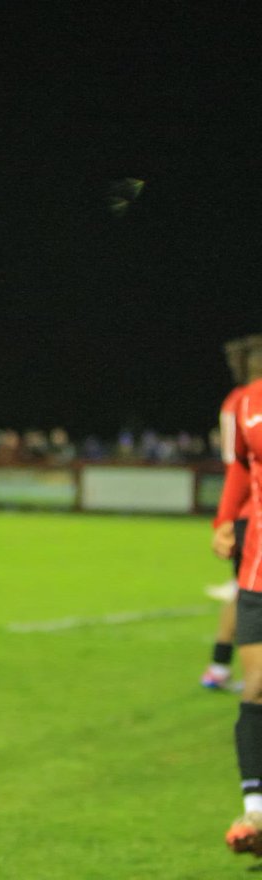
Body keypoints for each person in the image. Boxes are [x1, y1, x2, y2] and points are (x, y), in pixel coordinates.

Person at [215, 335, 262, 856]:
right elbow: (242, 468)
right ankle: (256, 813)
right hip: (258, 569)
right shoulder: (247, 405)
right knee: (258, 688)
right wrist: (225, 519)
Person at [203, 337, 255, 691]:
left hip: (242, 513)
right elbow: (237, 463)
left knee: (245, 592)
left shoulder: (235, 401)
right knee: (248, 594)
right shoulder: (244, 402)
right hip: (252, 514)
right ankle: (222, 669)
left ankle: (219, 666)